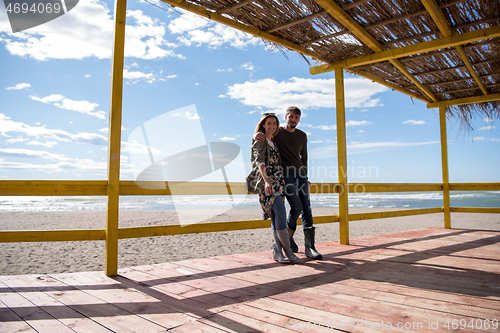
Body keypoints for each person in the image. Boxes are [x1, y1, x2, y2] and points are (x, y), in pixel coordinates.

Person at [253, 106, 322, 260]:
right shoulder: (278, 133)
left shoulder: (302, 135)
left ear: (299, 119)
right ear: (286, 117)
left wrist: (305, 175)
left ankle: (309, 247)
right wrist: (255, 135)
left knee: (306, 209)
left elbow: (304, 157)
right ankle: (286, 243)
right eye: (291, 116)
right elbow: (264, 138)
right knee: (290, 209)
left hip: (301, 177)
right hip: (285, 177)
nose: (293, 120)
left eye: (297, 117)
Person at [248, 113, 299, 264]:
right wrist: (267, 182)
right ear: (263, 125)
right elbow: (260, 162)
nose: (272, 126)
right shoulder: (261, 140)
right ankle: (287, 250)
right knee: (281, 213)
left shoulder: (273, 142)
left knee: (276, 216)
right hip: (268, 182)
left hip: (278, 182)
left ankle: (277, 251)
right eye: (269, 123)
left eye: (274, 124)